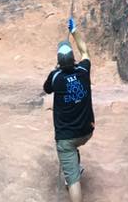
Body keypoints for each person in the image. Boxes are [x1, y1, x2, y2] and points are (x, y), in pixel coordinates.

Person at [43, 18, 94, 201]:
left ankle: (73, 172)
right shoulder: (83, 71)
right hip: (87, 131)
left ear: (59, 62)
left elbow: (47, 88)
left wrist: (55, 70)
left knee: (73, 181)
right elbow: (85, 51)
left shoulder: (56, 77)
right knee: (74, 149)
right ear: (73, 59)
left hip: (66, 137)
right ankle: (75, 165)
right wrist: (74, 31)